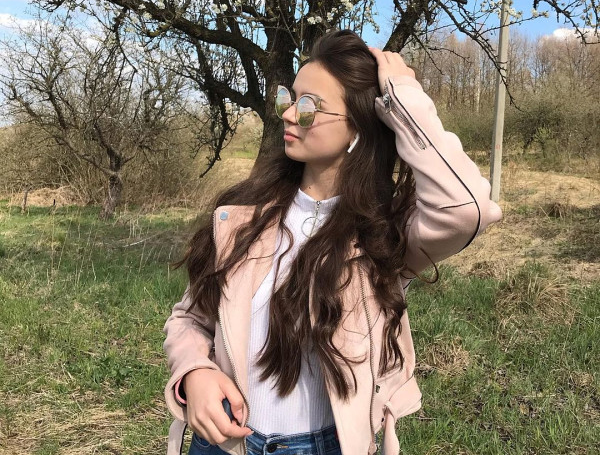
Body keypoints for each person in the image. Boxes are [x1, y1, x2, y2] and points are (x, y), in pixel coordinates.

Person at [163, 29, 502, 455]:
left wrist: (404, 98)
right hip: (224, 442)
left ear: (357, 128)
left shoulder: (384, 234)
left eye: (309, 107)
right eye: (290, 99)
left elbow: (468, 208)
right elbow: (191, 318)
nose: (289, 115)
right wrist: (195, 371)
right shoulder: (243, 215)